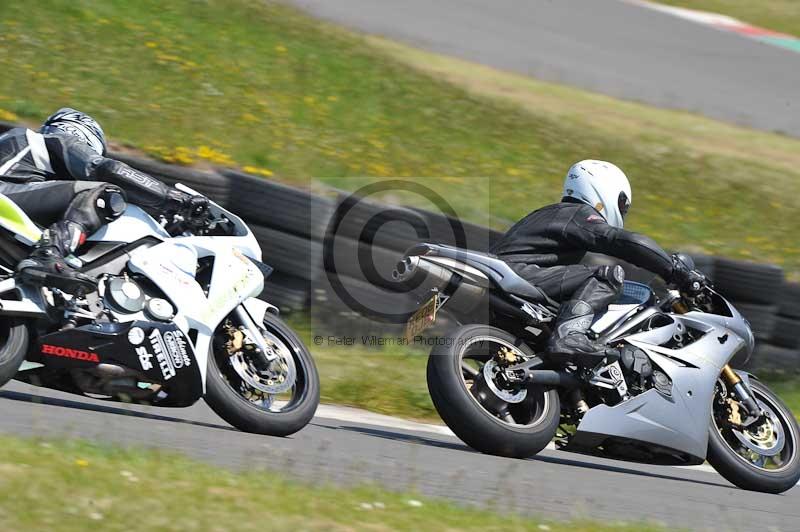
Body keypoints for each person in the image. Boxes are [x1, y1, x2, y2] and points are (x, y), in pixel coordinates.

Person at [489, 159, 704, 367]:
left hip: (510, 276)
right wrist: (674, 270)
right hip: (520, 275)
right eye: (622, 205)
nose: (622, 212)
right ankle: (570, 336)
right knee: (608, 275)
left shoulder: (551, 213)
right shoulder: (577, 213)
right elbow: (622, 241)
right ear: (604, 190)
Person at [0, 108, 208, 293]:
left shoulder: (24, 154)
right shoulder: (55, 141)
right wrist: (176, 199)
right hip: (5, 195)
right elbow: (108, 169)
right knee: (107, 193)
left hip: (11, 201)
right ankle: (47, 254)